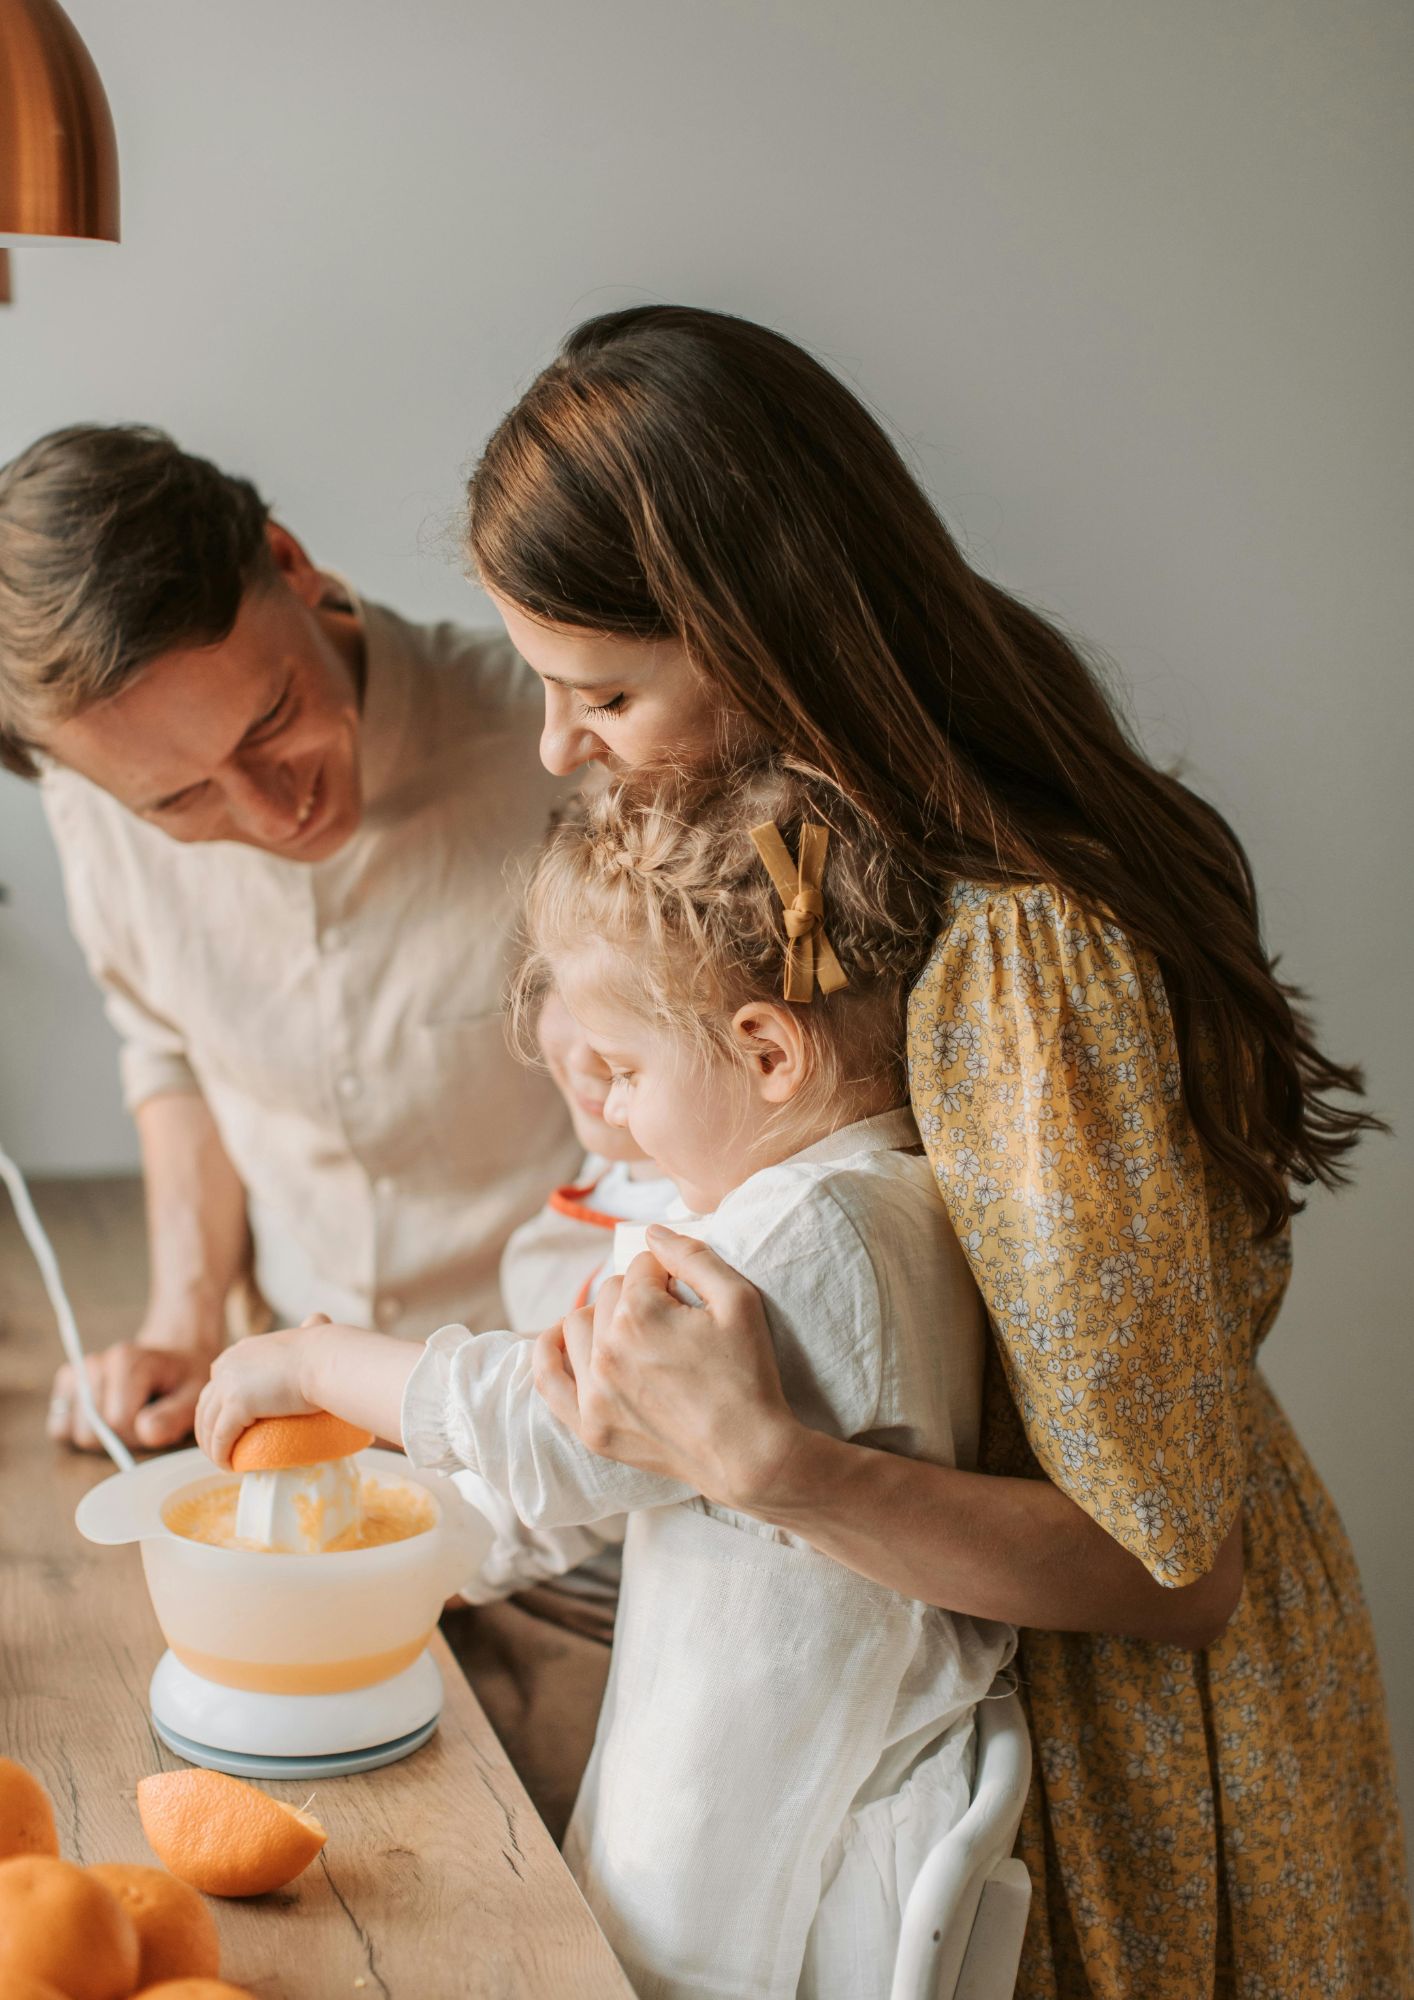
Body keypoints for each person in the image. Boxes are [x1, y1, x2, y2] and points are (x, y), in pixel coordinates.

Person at [458, 305, 1413, 1998]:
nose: (558, 745)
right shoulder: (847, 869)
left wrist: (775, 1470)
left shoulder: (1019, 966)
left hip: (1120, 1748)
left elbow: (1164, 1572)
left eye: (601, 690)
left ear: (752, 636)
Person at [196, 763, 1014, 2000]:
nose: (615, 1122)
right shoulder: (883, 1199)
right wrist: (437, 1558)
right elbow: (616, 1474)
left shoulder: (790, 1239)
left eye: (627, 1076)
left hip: (747, 1868)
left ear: (766, 1048)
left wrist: (315, 1356)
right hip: (793, 1811)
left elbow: (553, 1424)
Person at [0, 424, 578, 1456]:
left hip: (555, 1431)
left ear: (288, 560)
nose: (273, 815)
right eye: (179, 798)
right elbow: (172, 1042)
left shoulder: (563, 749)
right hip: (285, 1404)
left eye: (269, 717)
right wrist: (181, 1320)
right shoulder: (94, 807)